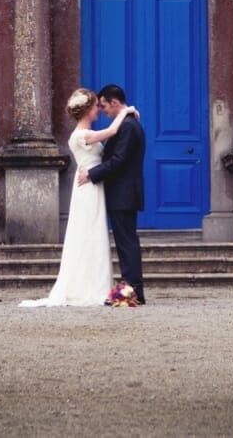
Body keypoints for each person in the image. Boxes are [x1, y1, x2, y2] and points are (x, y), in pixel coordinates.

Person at [20, 88, 138, 307]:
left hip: (93, 184)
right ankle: (88, 287)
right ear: (87, 111)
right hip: (88, 188)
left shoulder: (86, 133)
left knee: (94, 234)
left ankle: (96, 283)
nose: (99, 110)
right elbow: (112, 132)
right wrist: (127, 111)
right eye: (96, 107)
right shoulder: (80, 135)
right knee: (87, 233)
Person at [77, 84, 146, 305]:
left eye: (104, 106)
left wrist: (91, 174)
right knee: (126, 243)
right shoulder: (127, 123)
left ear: (115, 103)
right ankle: (132, 290)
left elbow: (118, 161)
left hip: (123, 194)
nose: (103, 110)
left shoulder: (128, 127)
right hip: (122, 193)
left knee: (127, 244)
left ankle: (133, 292)